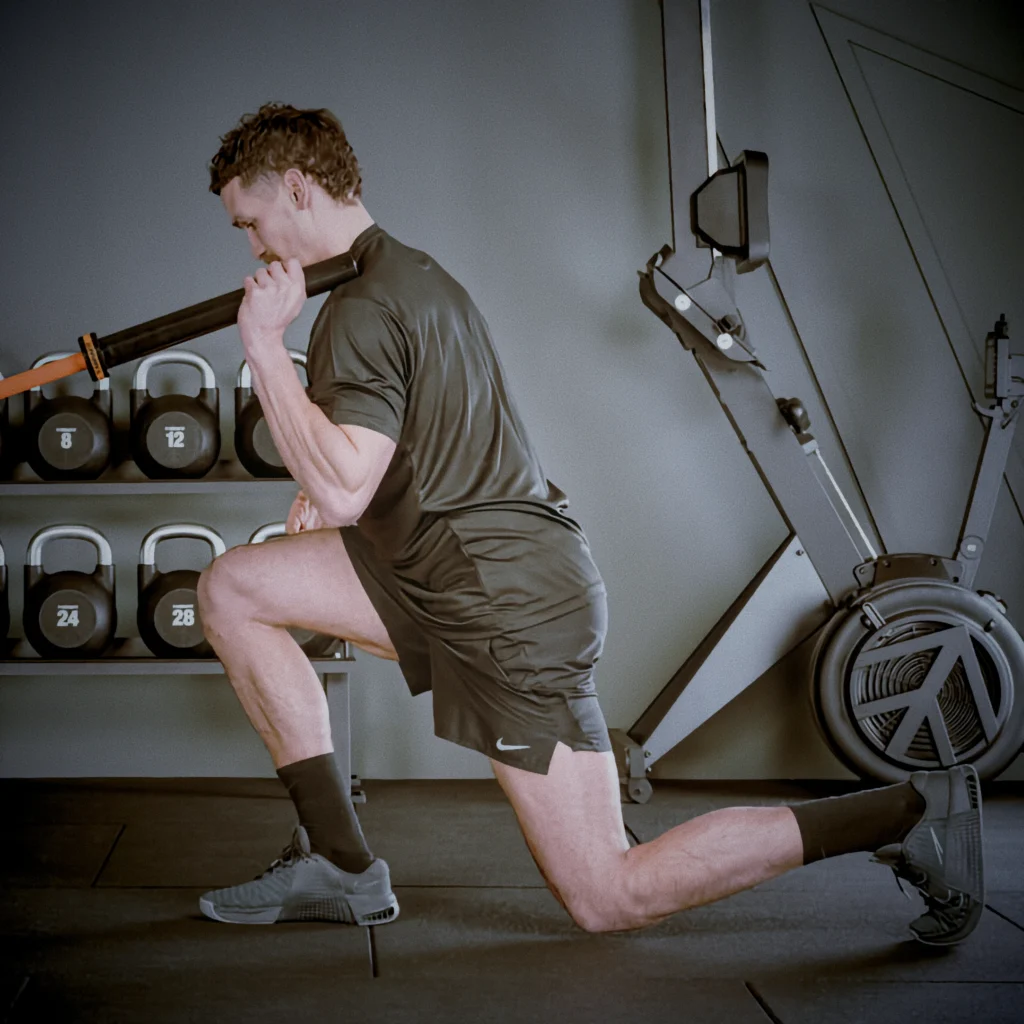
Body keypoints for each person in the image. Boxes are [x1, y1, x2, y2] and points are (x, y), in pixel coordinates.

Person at [195, 102, 984, 945]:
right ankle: (341, 861)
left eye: (252, 222)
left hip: (502, 609)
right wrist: (326, 473)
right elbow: (390, 452)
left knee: (609, 893)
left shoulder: (357, 310)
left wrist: (266, 350)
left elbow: (349, 488)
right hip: (447, 566)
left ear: (299, 188)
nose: (253, 247)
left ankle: (908, 813)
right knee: (234, 587)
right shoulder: (407, 276)